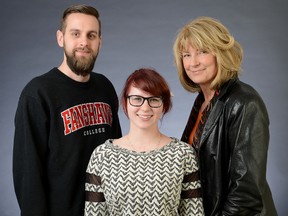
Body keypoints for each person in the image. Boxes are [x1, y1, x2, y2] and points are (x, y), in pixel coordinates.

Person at [13, 5, 122, 216]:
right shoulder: (38, 94)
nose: (84, 42)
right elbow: (28, 176)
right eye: (75, 34)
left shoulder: (105, 87)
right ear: (60, 38)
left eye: (91, 35)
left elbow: (115, 152)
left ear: (100, 41)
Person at [173, 16, 277, 215]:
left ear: (220, 54)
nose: (192, 62)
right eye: (186, 55)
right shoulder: (203, 103)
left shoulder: (245, 102)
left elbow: (246, 192)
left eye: (202, 52)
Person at [84, 68, 204, 215]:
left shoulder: (183, 154)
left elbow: (194, 213)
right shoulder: (102, 156)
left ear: (164, 105)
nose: (145, 107)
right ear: (125, 103)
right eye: (137, 99)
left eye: (154, 100)